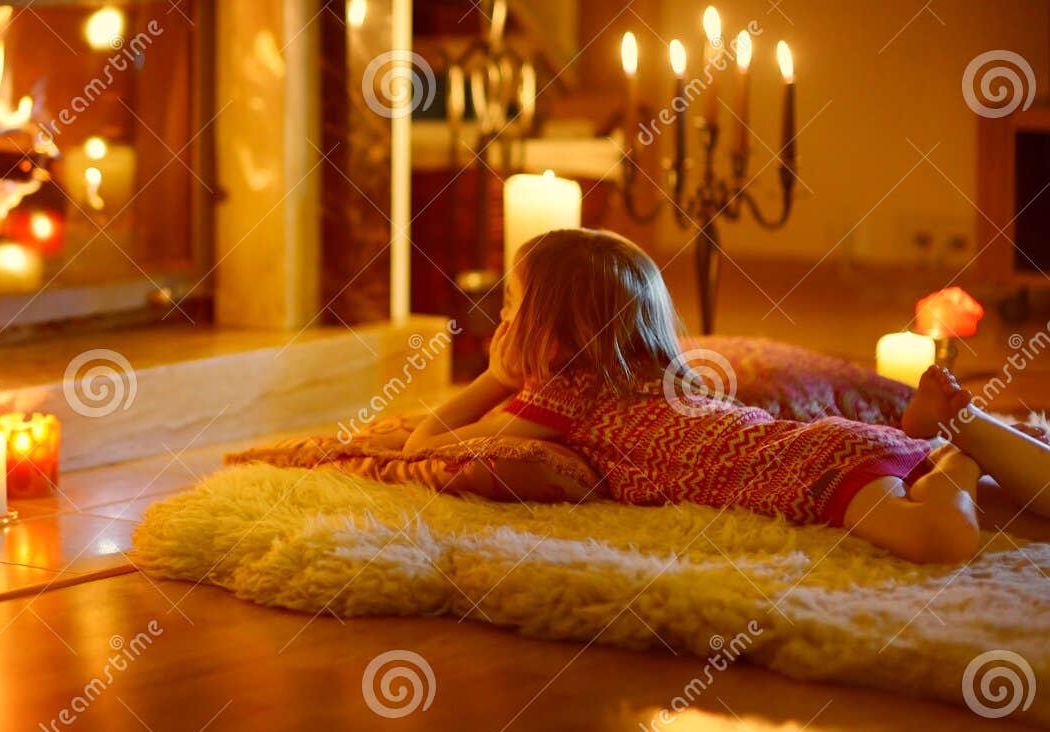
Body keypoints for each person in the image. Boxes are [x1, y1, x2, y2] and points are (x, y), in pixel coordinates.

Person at [405, 228, 1050, 564]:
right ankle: (947, 439)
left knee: (942, 539)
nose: (504, 324)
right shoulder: (652, 378)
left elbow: (425, 445)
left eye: (513, 309)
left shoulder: (565, 399)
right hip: (820, 450)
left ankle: (952, 450)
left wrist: (495, 378)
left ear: (551, 331)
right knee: (1010, 508)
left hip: (810, 472)